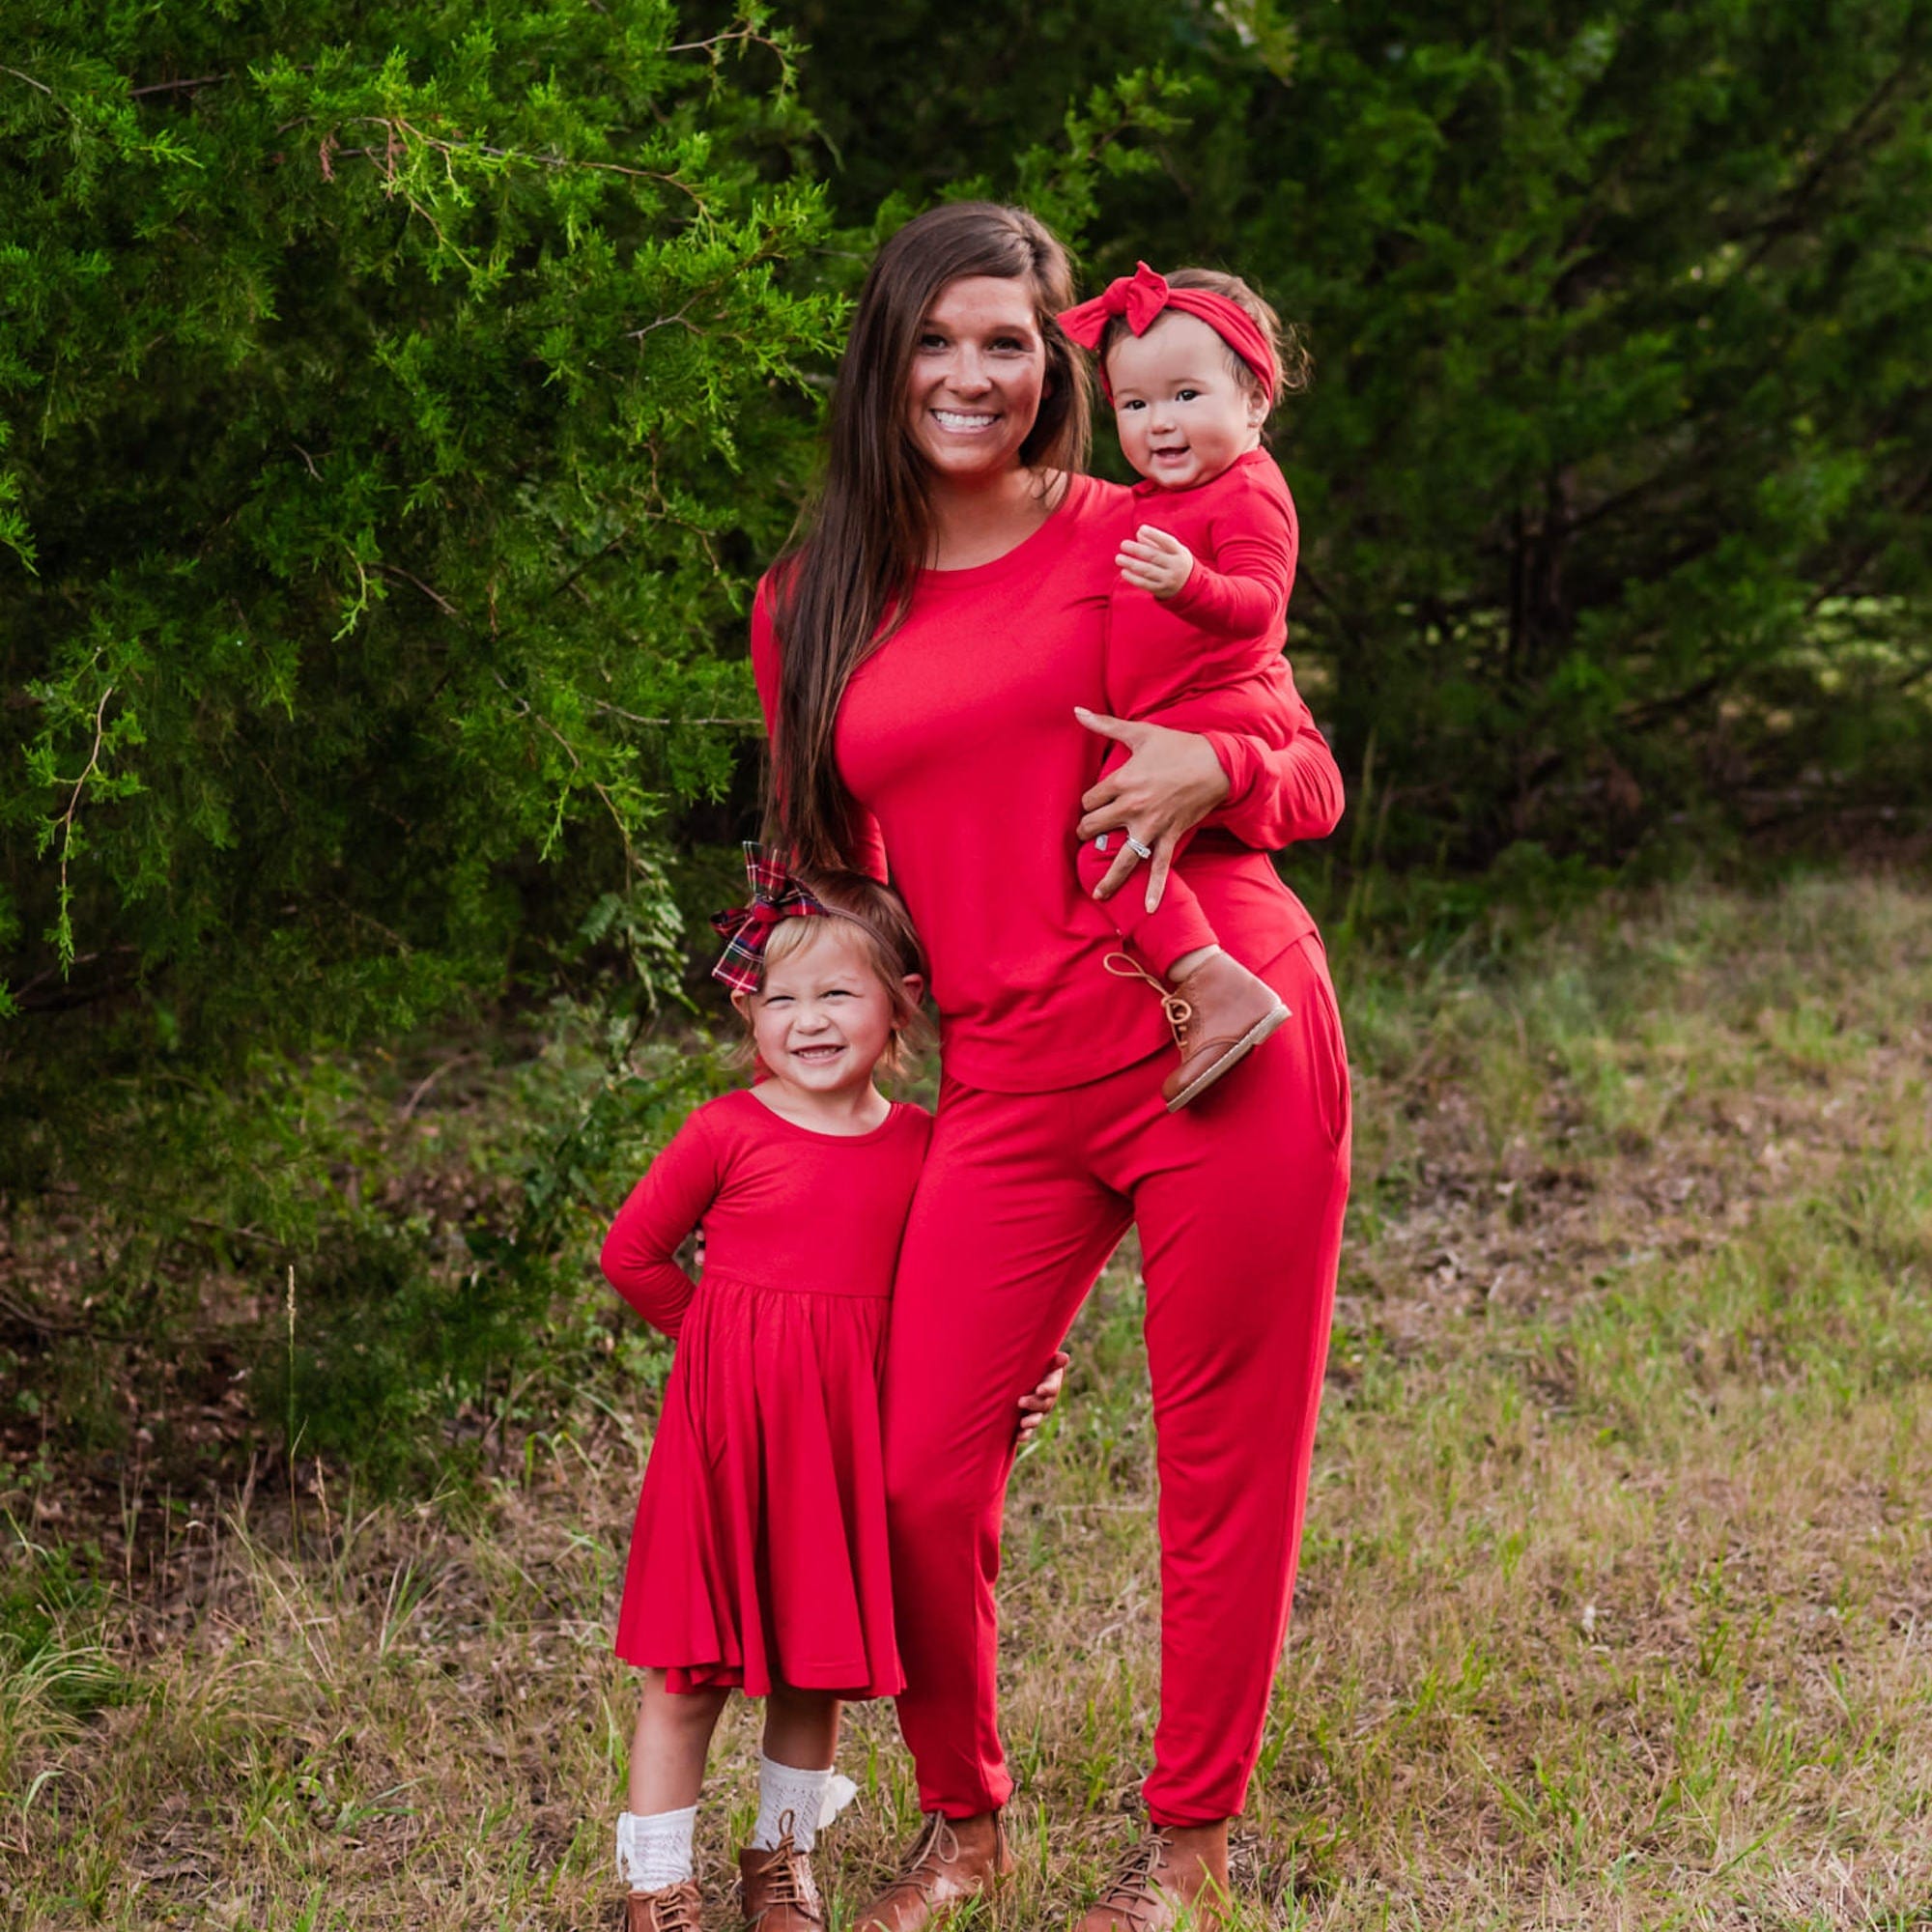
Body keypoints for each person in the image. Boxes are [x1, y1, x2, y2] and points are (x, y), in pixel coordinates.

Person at [752, 201, 1352, 1932]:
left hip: (1219, 1024)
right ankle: (964, 1828)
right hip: (1004, 1088)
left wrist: (1204, 773)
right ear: (885, 355)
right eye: (937, 340)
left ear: (1056, 368)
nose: (969, 375)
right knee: (916, 1469)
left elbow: (1303, 779)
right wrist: (815, 1137)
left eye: (1007, 342)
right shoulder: (811, 603)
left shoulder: (1143, 530)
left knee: (1222, 1457)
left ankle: (1186, 1856)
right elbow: (820, 891)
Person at [600, 851, 1067, 1932]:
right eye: (780, 997)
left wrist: (1013, 1365)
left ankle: (781, 1860)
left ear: (901, 1006)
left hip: (842, 1437)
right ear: (748, 1013)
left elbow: (970, 1280)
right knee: (689, 1666)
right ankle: (658, 1885)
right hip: (730, 1435)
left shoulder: (922, 1146)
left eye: (836, 993)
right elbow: (634, 1253)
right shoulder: (726, 1130)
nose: (805, 1019)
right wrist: (721, 1342)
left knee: (808, 1664)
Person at [1057, 260, 1310, 1110]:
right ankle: (1202, 981)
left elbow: (1258, 604)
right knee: (1119, 832)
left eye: (1186, 397)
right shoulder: (1144, 504)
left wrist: (1187, 585)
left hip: (1226, 706)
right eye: (1135, 405)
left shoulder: (1249, 494)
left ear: (1255, 403)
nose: (1159, 424)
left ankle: (1214, 989)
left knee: (1109, 834)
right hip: (1183, 711)